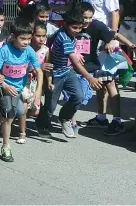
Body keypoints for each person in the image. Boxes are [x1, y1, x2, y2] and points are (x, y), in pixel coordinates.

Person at [35, 10, 101, 139]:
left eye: (79, 28)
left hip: (67, 71)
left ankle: (64, 118)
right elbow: (75, 61)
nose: (77, 30)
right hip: (55, 74)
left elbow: (73, 54)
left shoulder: (69, 34)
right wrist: (89, 77)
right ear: (65, 24)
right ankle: (42, 125)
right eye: (74, 27)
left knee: (78, 97)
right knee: (51, 105)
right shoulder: (63, 37)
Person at [74, 2, 136, 135]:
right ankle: (101, 118)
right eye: (85, 17)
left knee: (110, 86)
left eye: (90, 17)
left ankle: (117, 121)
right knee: (100, 89)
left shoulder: (96, 25)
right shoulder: (74, 26)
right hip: (90, 63)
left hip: (103, 59)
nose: (87, 21)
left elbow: (114, 34)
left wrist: (130, 45)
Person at [0, 18, 43, 162]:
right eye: (23, 39)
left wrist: (38, 94)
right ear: (13, 37)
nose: (26, 42)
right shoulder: (4, 51)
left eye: (28, 38)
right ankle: (6, 147)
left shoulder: (29, 51)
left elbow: (39, 72)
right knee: (9, 116)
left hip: (19, 88)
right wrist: (5, 85)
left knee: (21, 111)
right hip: (4, 88)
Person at [17, 22, 51, 144]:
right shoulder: (27, 49)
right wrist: (36, 67)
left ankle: (18, 118)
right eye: (38, 35)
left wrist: (50, 82)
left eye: (44, 36)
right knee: (25, 107)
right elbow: (22, 65)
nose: (41, 39)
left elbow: (47, 69)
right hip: (24, 81)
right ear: (32, 35)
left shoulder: (46, 50)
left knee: (35, 110)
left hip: (36, 83)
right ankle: (22, 133)